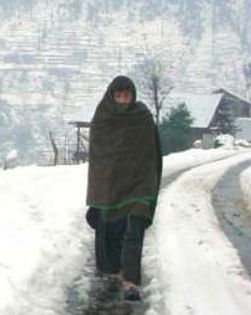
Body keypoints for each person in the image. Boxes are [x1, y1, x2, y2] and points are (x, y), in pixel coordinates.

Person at [85, 76, 163, 302]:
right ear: (111, 95)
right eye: (118, 96)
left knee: (134, 230)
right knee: (112, 230)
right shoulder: (102, 118)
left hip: (139, 184)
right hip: (110, 184)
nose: (122, 100)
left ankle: (131, 282)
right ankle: (116, 270)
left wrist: (149, 179)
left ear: (133, 95)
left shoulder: (142, 117)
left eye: (126, 95)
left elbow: (153, 151)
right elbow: (98, 158)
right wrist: (100, 187)